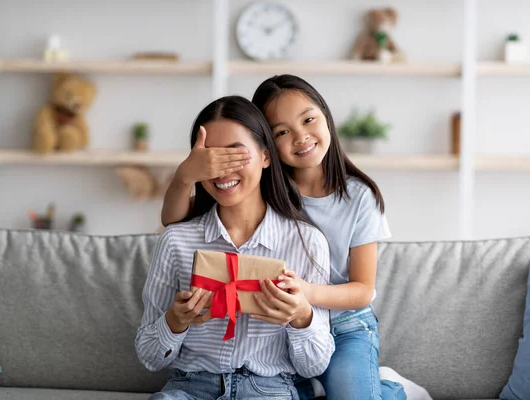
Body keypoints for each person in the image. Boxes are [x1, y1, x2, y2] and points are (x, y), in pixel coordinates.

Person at [160, 75, 415, 399]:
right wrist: (187, 174)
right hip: (284, 331)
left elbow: (363, 291)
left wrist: (305, 294)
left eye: (309, 119)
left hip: (344, 326)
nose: (300, 137)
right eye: (282, 131)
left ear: (326, 116)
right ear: (266, 144)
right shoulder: (262, 189)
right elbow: (174, 219)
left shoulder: (359, 196)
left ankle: (390, 390)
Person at [136, 95, 334, 400]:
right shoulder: (176, 241)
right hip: (190, 387)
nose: (222, 171)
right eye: (211, 159)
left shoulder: (306, 242)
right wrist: (175, 321)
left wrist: (301, 316)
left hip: (269, 389)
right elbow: (149, 356)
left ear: (266, 156)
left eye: (235, 155)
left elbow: (315, 365)